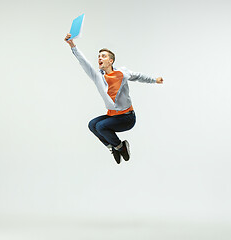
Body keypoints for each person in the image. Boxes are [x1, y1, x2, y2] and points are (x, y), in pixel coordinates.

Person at [64, 33, 164, 164]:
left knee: (100, 126)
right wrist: (72, 45)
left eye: (103, 56)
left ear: (111, 61)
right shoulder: (97, 77)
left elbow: (138, 76)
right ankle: (112, 147)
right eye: (99, 56)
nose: (100, 58)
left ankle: (121, 146)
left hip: (127, 118)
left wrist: (155, 80)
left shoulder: (122, 73)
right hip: (113, 116)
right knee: (92, 125)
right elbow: (84, 62)